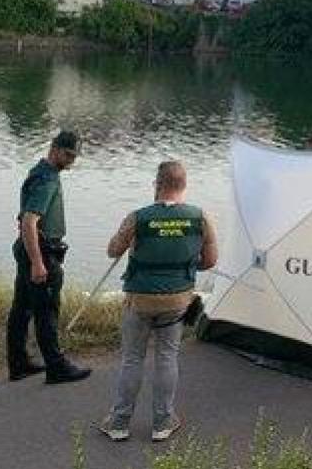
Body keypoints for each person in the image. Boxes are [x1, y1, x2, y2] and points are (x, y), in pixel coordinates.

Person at [98, 161, 218, 443]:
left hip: (140, 300)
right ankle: (163, 422)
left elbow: (112, 250)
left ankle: (119, 423)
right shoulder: (200, 218)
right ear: (184, 185)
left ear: (157, 184)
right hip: (177, 302)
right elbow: (210, 261)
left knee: (132, 359)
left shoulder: (139, 217)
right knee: (167, 358)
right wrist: (181, 267)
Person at [6, 130, 92, 384]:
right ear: (54, 148)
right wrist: (38, 263)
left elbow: (24, 220)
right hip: (41, 252)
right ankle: (56, 367)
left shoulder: (39, 172)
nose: (71, 161)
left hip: (30, 250)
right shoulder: (47, 180)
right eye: (67, 154)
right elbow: (30, 222)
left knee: (21, 308)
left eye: (74, 156)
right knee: (47, 311)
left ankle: (18, 363)